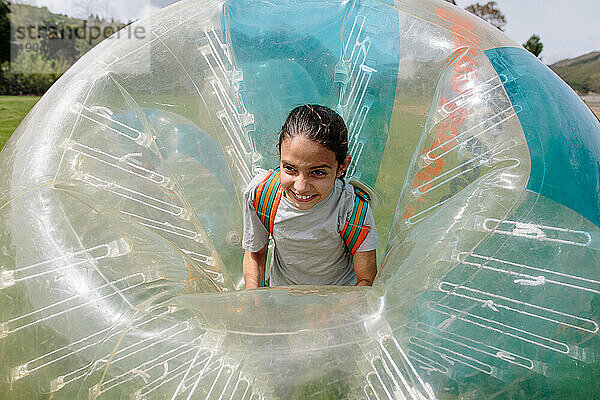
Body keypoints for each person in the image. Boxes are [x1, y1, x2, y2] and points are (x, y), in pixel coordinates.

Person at [242, 104, 378, 288]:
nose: (301, 187)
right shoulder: (261, 195)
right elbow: (256, 253)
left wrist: (328, 312)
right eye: (290, 168)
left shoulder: (351, 209)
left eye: (318, 172)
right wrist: (253, 299)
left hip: (339, 300)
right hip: (284, 298)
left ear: (342, 166)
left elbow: (366, 280)